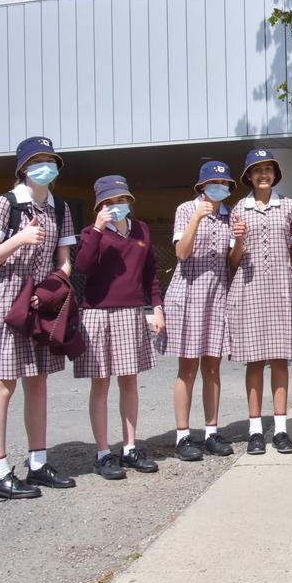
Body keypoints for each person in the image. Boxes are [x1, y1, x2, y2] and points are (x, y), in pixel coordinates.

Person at [0, 136, 79, 499]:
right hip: (6, 301)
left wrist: (51, 288)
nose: (45, 167)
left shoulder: (59, 207)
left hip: (39, 302)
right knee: (2, 383)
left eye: (50, 160)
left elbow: (64, 262)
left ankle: (38, 463)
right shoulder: (6, 203)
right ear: (23, 168)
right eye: (37, 161)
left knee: (38, 382)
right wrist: (19, 239)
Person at [74, 176, 165, 480]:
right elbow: (82, 266)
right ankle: (102, 453)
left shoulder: (141, 230)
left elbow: (150, 273)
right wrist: (98, 229)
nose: (117, 206)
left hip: (131, 311)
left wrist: (157, 306)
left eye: (122, 200)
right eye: (110, 202)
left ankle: (129, 447)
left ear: (130, 201)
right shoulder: (90, 233)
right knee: (100, 383)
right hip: (97, 313)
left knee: (129, 381)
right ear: (99, 206)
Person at [226, 148, 292, 456]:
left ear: (276, 174)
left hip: (282, 290)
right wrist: (239, 240)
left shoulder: (290, 206)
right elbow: (232, 262)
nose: (263, 174)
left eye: (268, 169)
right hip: (248, 291)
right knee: (255, 362)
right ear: (248, 175)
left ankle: (282, 429)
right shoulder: (239, 209)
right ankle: (255, 430)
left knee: (281, 360)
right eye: (257, 169)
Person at [164, 161, 236, 462]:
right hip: (188, 294)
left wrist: (241, 239)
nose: (219, 188)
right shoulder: (186, 209)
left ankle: (211, 431)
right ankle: (182, 435)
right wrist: (196, 217)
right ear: (202, 186)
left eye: (225, 183)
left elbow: (232, 260)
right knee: (188, 367)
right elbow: (181, 252)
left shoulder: (230, 215)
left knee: (213, 367)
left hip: (217, 295)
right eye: (213, 183)